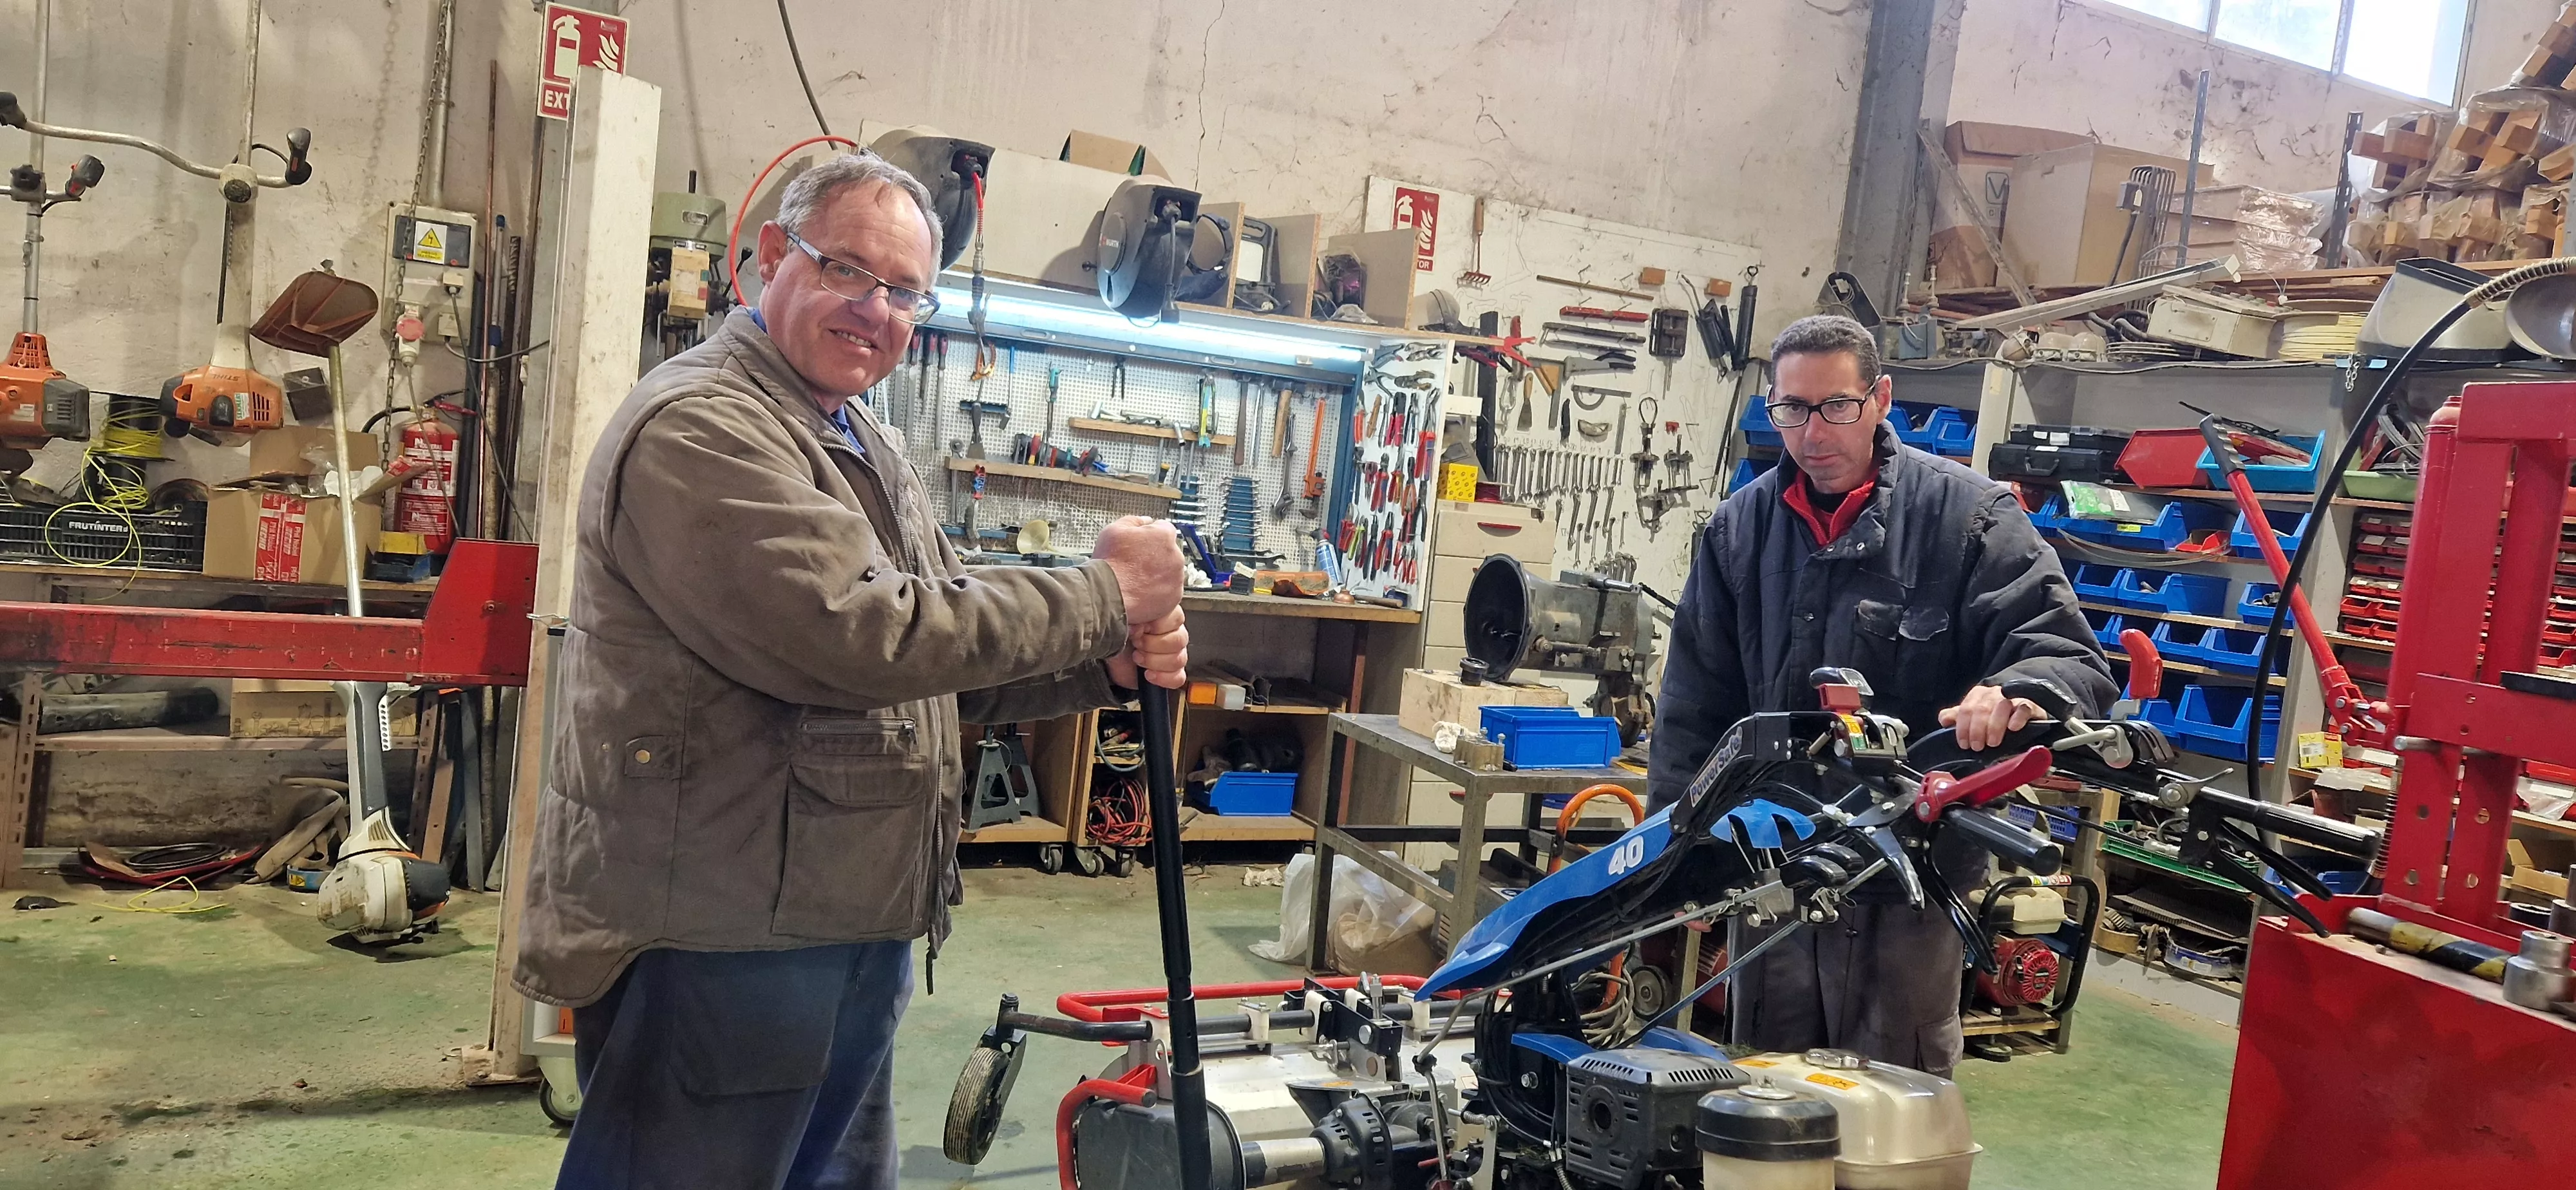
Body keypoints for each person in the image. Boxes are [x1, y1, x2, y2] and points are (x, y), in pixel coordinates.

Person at [512, 151, 1190, 1190]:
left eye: (905, 292)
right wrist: (1103, 596)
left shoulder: (854, 433)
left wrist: (1101, 662)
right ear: (772, 258)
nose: (877, 310)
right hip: (720, 935)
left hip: (837, 916)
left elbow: (929, 659)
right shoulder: (704, 425)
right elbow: (862, 633)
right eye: (850, 271)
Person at [1647, 313, 2113, 1076]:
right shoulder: (1739, 530)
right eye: (1790, 409)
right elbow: (1694, 703)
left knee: (1898, 1079)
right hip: (1777, 859)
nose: (1811, 432)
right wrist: (1677, 850)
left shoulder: (1969, 517)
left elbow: (2067, 655)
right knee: (1770, 1077)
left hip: (1917, 866)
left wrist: (2014, 690)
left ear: (1880, 398)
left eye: (1835, 406)